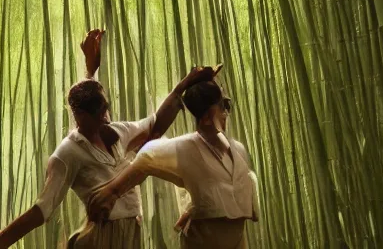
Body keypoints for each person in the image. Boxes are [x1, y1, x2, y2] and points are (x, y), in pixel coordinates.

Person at [0, 28, 220, 249]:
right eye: (99, 114)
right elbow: (43, 208)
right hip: (103, 235)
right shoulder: (67, 154)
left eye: (106, 109)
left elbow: (156, 123)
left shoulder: (117, 131)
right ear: (80, 117)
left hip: (131, 231)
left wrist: (187, 83)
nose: (106, 118)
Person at [88, 79, 259, 249]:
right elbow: (148, 157)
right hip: (203, 241)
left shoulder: (238, 149)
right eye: (222, 106)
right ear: (206, 117)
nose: (225, 113)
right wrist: (112, 192)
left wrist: (191, 207)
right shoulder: (185, 147)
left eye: (227, 105)